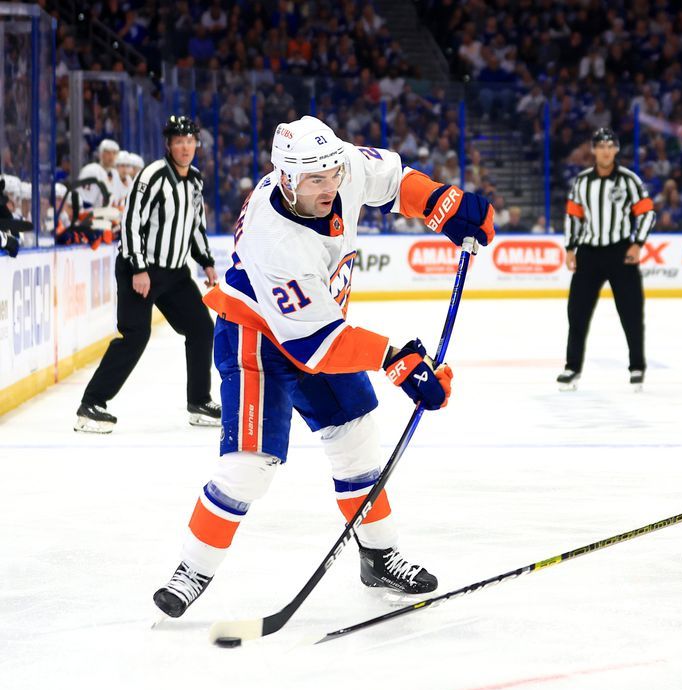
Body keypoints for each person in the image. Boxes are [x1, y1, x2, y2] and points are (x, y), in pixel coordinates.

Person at [151, 115, 494, 618]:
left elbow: (396, 181)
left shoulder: (337, 169)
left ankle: (377, 554)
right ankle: (193, 568)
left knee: (356, 441)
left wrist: (444, 204)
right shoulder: (275, 240)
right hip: (258, 338)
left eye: (333, 173)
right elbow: (316, 346)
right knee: (249, 467)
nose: (331, 185)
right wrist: (402, 364)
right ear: (286, 179)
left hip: (318, 327)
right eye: (316, 179)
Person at [75, 116, 222, 433]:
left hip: (176, 273)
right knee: (136, 336)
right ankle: (92, 403)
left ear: (196, 144)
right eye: (179, 141)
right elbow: (130, 223)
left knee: (200, 328)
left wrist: (206, 262)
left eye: (190, 141)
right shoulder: (153, 176)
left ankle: (199, 400)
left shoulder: (195, 180)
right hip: (139, 269)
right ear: (169, 145)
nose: (185, 147)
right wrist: (139, 268)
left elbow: (195, 227)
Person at [558, 127, 657, 391]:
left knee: (631, 313)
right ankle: (572, 368)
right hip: (589, 253)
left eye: (609, 145)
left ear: (615, 150)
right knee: (576, 313)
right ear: (593, 150)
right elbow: (573, 216)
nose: (604, 150)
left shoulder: (628, 180)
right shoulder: (582, 181)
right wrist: (570, 248)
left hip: (621, 253)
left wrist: (637, 244)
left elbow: (647, 213)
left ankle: (637, 367)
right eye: (600, 146)